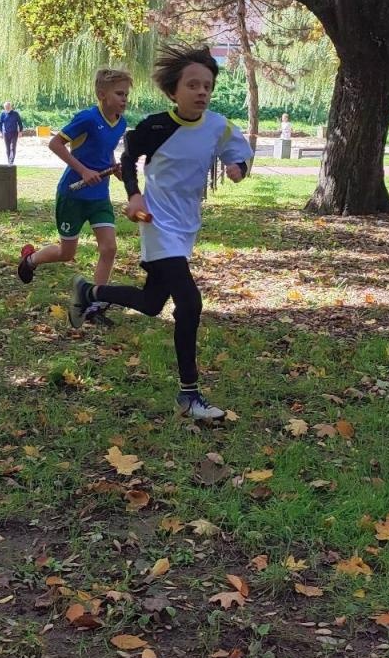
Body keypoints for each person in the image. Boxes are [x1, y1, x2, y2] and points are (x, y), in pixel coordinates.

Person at [69, 45, 252, 422]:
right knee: (190, 303)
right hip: (155, 222)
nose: (201, 92)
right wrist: (134, 196)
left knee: (153, 302)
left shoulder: (218, 125)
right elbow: (128, 158)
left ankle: (89, 292)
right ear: (174, 90)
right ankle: (189, 396)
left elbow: (240, 151)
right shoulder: (155, 126)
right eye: (193, 85)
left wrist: (239, 168)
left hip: (187, 227)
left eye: (207, 86)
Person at [16, 70, 131, 325]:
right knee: (67, 252)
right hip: (73, 193)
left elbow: (106, 152)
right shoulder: (87, 118)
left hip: (100, 196)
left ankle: (95, 307)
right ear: (102, 95)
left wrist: (115, 168)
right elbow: (55, 144)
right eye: (119, 94)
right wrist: (83, 170)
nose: (125, 99)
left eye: (126, 94)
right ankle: (30, 260)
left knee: (109, 248)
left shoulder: (121, 122)